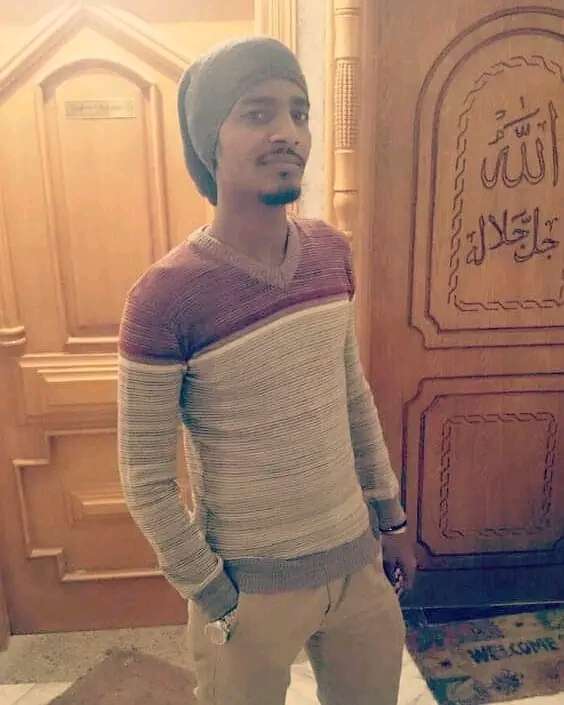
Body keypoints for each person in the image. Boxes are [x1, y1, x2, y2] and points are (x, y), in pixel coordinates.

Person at [117, 36, 416, 705]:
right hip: (246, 591)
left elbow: (351, 396)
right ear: (210, 140)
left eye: (298, 112)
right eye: (257, 113)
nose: (288, 132)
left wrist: (391, 522)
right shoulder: (165, 297)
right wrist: (212, 590)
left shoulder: (331, 253)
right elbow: (144, 475)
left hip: (358, 567)